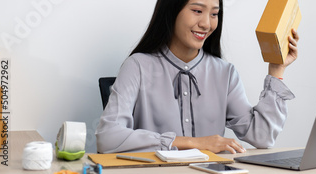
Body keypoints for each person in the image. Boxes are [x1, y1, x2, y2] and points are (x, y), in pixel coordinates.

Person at [95, 0, 299, 154]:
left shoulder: (225, 73)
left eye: (214, 14)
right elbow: (108, 137)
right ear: (172, 10)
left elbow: (261, 136)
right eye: (197, 11)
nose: (206, 23)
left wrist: (276, 70)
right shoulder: (137, 66)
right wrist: (195, 143)